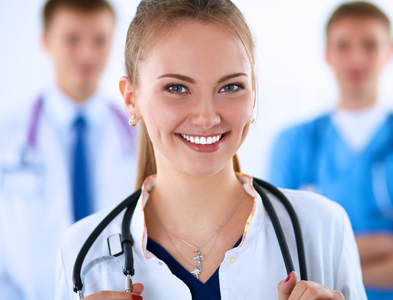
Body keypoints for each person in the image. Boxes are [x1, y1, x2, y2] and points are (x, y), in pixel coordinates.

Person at [55, 0, 367, 299]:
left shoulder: (323, 228)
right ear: (131, 99)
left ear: (253, 94)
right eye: (177, 88)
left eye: (230, 87)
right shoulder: (84, 253)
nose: (207, 117)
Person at [268, 1, 393, 299]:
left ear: (390, 52)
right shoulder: (294, 143)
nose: (356, 58)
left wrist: (335, 265)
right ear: (327, 54)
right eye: (343, 46)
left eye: (369, 45)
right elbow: (280, 256)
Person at [0, 0, 137, 299]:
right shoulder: (7, 136)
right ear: (46, 40)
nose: (87, 53)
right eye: (72, 39)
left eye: (99, 40)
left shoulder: (140, 138)